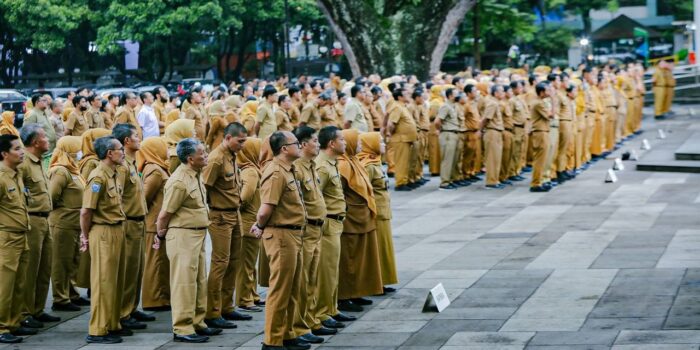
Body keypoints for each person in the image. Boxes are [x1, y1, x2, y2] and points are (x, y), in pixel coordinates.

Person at [154, 138, 220, 343]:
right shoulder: (179, 181)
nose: (206, 154)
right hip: (183, 235)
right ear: (190, 158)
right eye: (202, 152)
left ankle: (198, 322)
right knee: (183, 283)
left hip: (197, 234)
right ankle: (182, 328)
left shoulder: (196, 174)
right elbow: (165, 214)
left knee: (199, 280)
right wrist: (160, 235)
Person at [250, 131, 309, 350]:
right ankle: (272, 341)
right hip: (281, 235)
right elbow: (265, 210)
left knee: (293, 287)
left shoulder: (289, 169)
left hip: (293, 233)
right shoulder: (275, 172)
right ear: (284, 149)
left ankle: (287, 334)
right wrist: (260, 225)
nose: (300, 146)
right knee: (280, 289)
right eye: (296, 144)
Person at [202, 122, 251, 329]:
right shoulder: (216, 159)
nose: (243, 145)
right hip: (220, 216)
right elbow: (204, 188)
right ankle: (212, 312)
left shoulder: (232, 156)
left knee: (234, 262)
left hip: (234, 214)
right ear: (228, 138)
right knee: (220, 263)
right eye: (240, 141)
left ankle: (227, 307)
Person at [80, 136, 128, 344]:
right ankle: (98, 329)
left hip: (117, 228)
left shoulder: (114, 173)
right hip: (103, 231)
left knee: (117, 280)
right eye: (120, 149)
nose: (123, 152)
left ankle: (112, 323)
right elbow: (86, 211)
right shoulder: (98, 177)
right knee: (103, 281)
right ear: (110, 153)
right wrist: (85, 235)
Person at [18, 124, 61, 329]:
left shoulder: (39, 162)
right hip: (32, 220)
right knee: (31, 269)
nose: (48, 139)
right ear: (35, 142)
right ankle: (25, 312)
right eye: (44, 137)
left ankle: (37, 309)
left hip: (45, 219)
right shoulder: (23, 163)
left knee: (44, 268)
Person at [111, 124, 153, 330]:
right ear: (126, 141)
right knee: (127, 270)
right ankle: (123, 312)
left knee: (136, 269)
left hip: (139, 221)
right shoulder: (121, 166)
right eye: (136, 136)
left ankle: (132, 307)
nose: (140, 138)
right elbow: (116, 195)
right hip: (128, 222)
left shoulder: (132, 163)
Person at [336, 129, 383, 312]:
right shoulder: (342, 165)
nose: (361, 146)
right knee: (349, 258)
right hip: (350, 218)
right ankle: (345, 296)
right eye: (358, 142)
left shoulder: (353, 161)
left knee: (359, 258)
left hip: (361, 217)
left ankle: (356, 292)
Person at [312, 126, 353, 331]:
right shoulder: (321, 166)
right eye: (342, 140)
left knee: (332, 270)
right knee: (326, 271)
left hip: (336, 222)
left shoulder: (332, 163)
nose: (345, 143)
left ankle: (331, 308)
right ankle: (321, 312)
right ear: (332, 143)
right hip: (327, 223)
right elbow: (314, 197)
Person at [290, 126, 328, 345]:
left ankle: (311, 321)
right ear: (303, 144)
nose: (318, 144)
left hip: (317, 229)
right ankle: (299, 325)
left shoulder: (312, 166)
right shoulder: (297, 169)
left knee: (313, 279)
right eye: (314, 140)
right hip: (305, 230)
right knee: (302, 282)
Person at [48, 136, 90, 312]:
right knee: (61, 261)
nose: (80, 151)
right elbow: (51, 197)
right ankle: (60, 298)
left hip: (74, 223)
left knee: (73, 261)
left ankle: (71, 293)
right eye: (77, 148)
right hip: (63, 222)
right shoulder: (60, 171)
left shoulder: (73, 169)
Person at [357, 132, 398, 292]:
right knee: (379, 249)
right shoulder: (367, 165)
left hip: (383, 212)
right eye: (380, 142)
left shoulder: (375, 162)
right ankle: (376, 282)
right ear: (371, 144)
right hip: (376, 213)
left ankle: (382, 280)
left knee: (384, 248)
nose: (384, 144)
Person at [0, 134, 31, 344]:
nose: (21, 152)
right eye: (17, 149)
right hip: (6, 238)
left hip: (22, 235)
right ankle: (2, 327)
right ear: (4, 154)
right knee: (4, 285)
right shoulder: (1, 177)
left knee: (19, 284)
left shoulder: (16, 174)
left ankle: (13, 323)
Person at [137, 137, 171, 311]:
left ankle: (162, 297)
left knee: (161, 262)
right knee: (155, 262)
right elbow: (143, 199)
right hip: (154, 224)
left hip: (158, 223)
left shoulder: (158, 167)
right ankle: (154, 300)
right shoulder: (155, 170)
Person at [234, 138, 264, 312]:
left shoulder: (250, 169)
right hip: (248, 224)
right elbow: (244, 198)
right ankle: (245, 299)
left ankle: (252, 295)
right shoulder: (251, 172)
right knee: (246, 265)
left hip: (250, 223)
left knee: (250, 263)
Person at [386, 87, 418, 191]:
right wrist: (390, 133)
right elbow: (391, 123)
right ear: (400, 97)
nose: (409, 95)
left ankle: (405, 180)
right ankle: (400, 183)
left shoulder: (402, 106)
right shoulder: (397, 107)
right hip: (401, 139)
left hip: (406, 139)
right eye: (406, 94)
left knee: (407, 162)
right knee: (401, 162)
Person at [434, 88, 460, 189]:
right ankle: (444, 182)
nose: (458, 96)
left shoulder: (453, 106)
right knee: (447, 159)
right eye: (456, 94)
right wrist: (440, 129)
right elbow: (437, 121)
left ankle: (451, 179)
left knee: (454, 159)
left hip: (454, 133)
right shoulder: (445, 106)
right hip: (448, 134)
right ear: (450, 96)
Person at [530, 82, 553, 192]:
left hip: (543, 131)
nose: (549, 92)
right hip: (540, 132)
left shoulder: (540, 102)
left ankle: (539, 181)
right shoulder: (538, 103)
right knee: (540, 159)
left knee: (542, 159)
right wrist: (554, 100)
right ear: (541, 92)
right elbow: (550, 115)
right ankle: (535, 183)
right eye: (547, 90)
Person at [481, 85, 505, 189]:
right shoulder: (492, 103)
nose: (503, 93)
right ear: (496, 93)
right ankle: (491, 181)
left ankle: (495, 179)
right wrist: (479, 130)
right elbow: (485, 119)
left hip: (497, 131)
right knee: (491, 158)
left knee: (497, 158)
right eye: (501, 92)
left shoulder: (496, 103)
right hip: (492, 132)